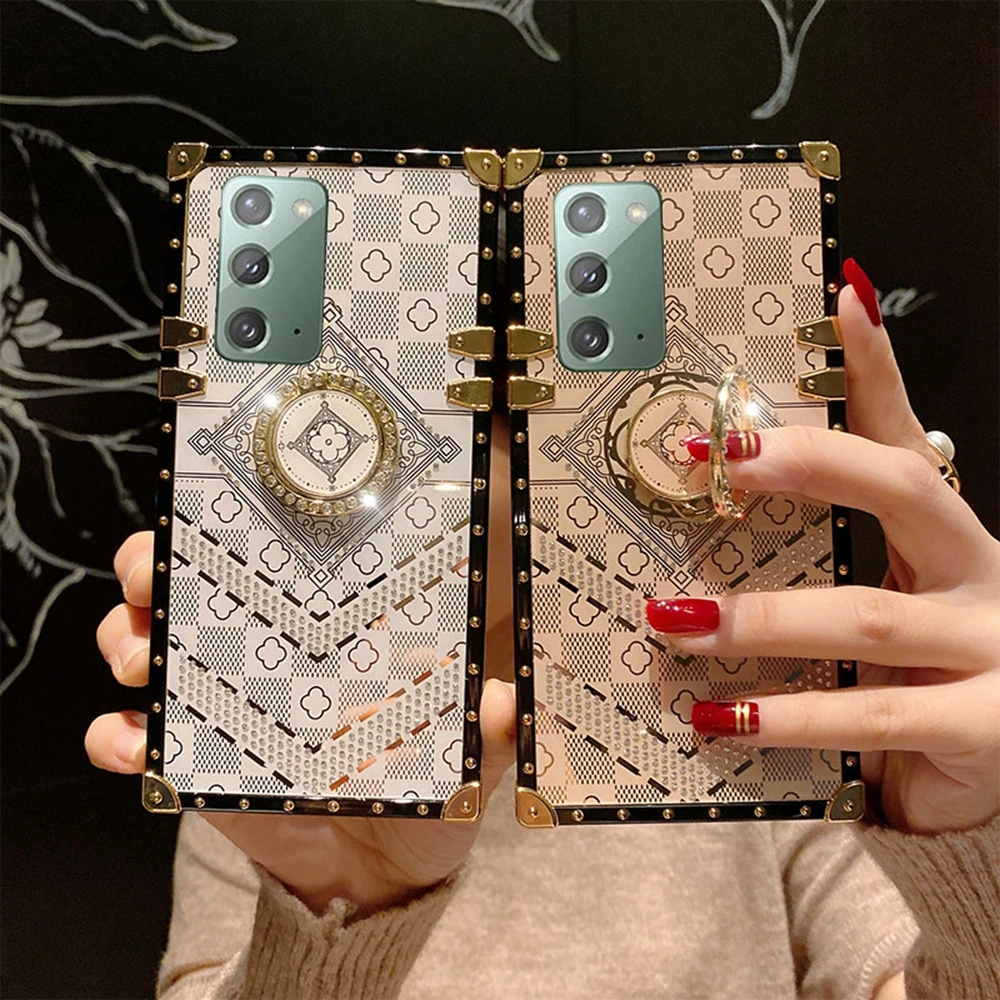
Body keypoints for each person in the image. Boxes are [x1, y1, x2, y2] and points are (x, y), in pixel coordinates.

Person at [89, 265, 1000, 999]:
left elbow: (900, 974)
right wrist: (340, 919)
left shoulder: (740, 713)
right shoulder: (271, 745)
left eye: (466, 415)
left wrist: (971, 856)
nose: (394, 474)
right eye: (378, 411)